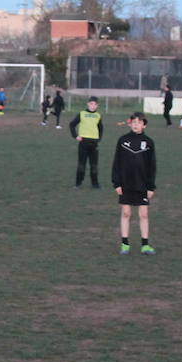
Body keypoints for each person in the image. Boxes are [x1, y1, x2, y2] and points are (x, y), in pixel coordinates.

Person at [112, 111, 157, 255]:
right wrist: (117, 183)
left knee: (143, 214)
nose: (136, 125)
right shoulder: (122, 140)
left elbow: (152, 166)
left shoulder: (149, 142)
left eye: (139, 122)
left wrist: (151, 186)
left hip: (142, 185)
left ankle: (145, 245)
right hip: (126, 184)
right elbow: (116, 163)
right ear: (130, 123)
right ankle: (125, 244)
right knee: (126, 213)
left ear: (144, 125)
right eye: (134, 122)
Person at [69, 96, 104, 188]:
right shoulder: (82, 114)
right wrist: (76, 136)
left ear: (97, 106)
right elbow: (72, 124)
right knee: (81, 165)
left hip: (94, 143)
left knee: (94, 165)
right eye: (91, 104)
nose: (93, 106)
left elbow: (101, 128)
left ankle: (95, 184)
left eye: (95, 104)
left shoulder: (98, 115)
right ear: (88, 104)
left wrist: (99, 138)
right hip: (83, 142)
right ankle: (78, 183)